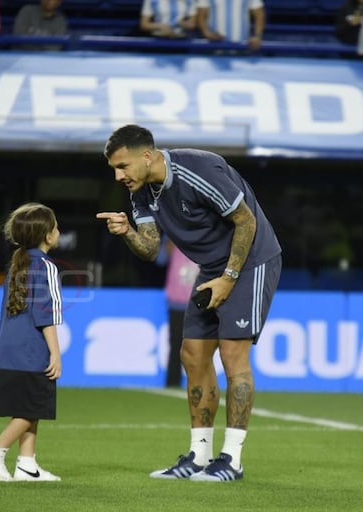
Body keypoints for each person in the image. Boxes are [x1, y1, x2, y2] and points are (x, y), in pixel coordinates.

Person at [96, 124, 282, 482]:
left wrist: (229, 278)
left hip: (252, 259)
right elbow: (150, 249)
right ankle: (199, 457)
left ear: (147, 156)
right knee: (192, 354)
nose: (119, 176)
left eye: (123, 166)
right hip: (213, 265)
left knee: (232, 354)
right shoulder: (140, 192)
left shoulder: (198, 170)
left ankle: (232, 460)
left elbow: (246, 220)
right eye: (114, 170)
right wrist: (127, 232)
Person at [0, 202, 63, 482]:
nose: (59, 231)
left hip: (9, 348)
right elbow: (45, 314)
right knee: (32, 406)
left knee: (27, 404)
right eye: (56, 227)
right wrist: (55, 353)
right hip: (31, 351)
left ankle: (27, 464)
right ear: (47, 236)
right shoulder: (46, 267)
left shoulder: (16, 265)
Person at [158, 237, 199, 387]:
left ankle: (198, 384)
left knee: (199, 347)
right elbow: (160, 259)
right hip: (177, 301)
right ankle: (172, 383)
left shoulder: (206, 231)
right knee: (176, 345)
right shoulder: (171, 233)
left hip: (200, 301)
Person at [196, 0, 265, 51]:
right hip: (214, 46)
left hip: (242, 46)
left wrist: (257, 36)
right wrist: (207, 33)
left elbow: (259, 14)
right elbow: (201, 14)